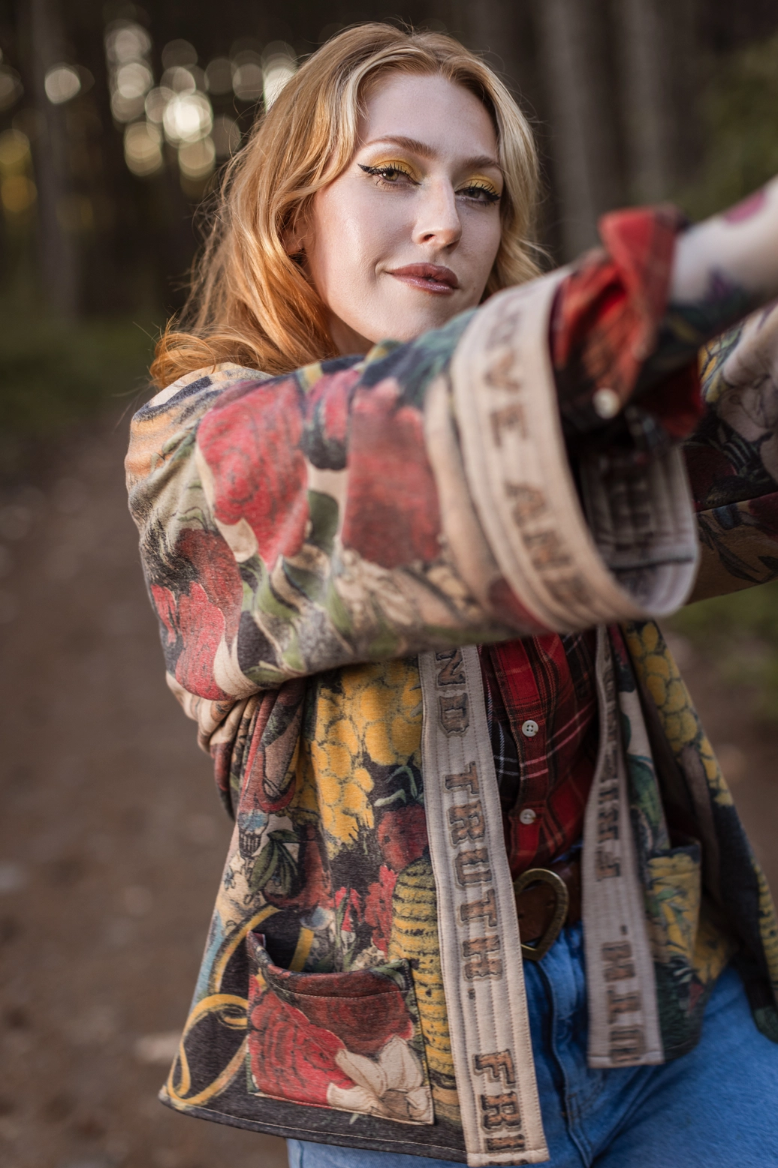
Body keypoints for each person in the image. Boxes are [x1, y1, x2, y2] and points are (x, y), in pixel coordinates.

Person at [126, 23, 778, 1168]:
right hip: (396, 1075)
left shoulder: (566, 424)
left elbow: (739, 467)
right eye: (392, 174)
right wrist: (738, 250)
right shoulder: (195, 447)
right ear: (292, 215)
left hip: (658, 993)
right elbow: (390, 442)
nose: (445, 223)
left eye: (478, 194)